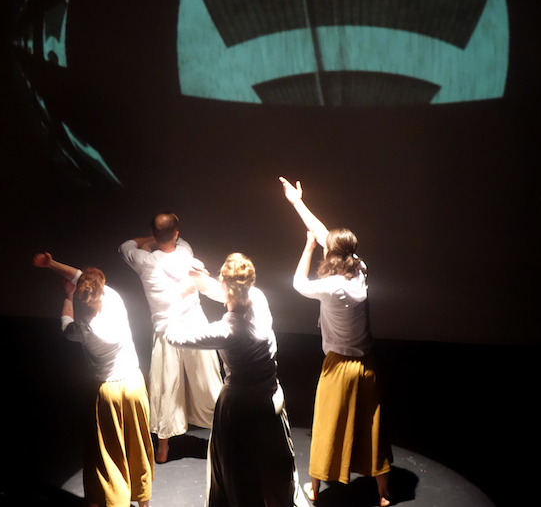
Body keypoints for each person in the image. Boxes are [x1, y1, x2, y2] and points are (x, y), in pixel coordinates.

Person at [280, 177, 392, 507]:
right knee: (372, 428)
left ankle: (314, 492)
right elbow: (323, 230)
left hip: (340, 365)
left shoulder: (330, 287)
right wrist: (297, 202)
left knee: (326, 425)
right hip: (368, 364)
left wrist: (308, 247)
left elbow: (298, 282)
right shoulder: (359, 270)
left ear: (332, 251)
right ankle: (384, 494)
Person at [164, 252, 309, 507]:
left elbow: (173, 336)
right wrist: (202, 280)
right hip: (271, 397)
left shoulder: (227, 330)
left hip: (241, 406)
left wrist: (180, 297)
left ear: (225, 284)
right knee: (275, 468)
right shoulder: (259, 299)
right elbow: (226, 292)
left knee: (240, 473)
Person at [33, 252, 153, 507]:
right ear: (101, 287)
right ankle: (143, 501)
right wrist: (53, 263)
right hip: (133, 383)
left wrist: (67, 295)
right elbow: (79, 275)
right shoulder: (115, 299)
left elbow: (65, 324)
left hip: (107, 390)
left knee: (108, 452)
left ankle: (114, 501)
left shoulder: (83, 328)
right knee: (137, 444)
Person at [119, 212, 223, 463]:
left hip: (168, 332)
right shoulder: (186, 252)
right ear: (176, 233)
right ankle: (222, 440)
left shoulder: (144, 259)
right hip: (195, 328)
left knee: (167, 388)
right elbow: (175, 240)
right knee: (209, 384)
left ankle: (163, 448)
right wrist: (159, 240)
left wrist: (150, 242)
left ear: (154, 234)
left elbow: (126, 246)